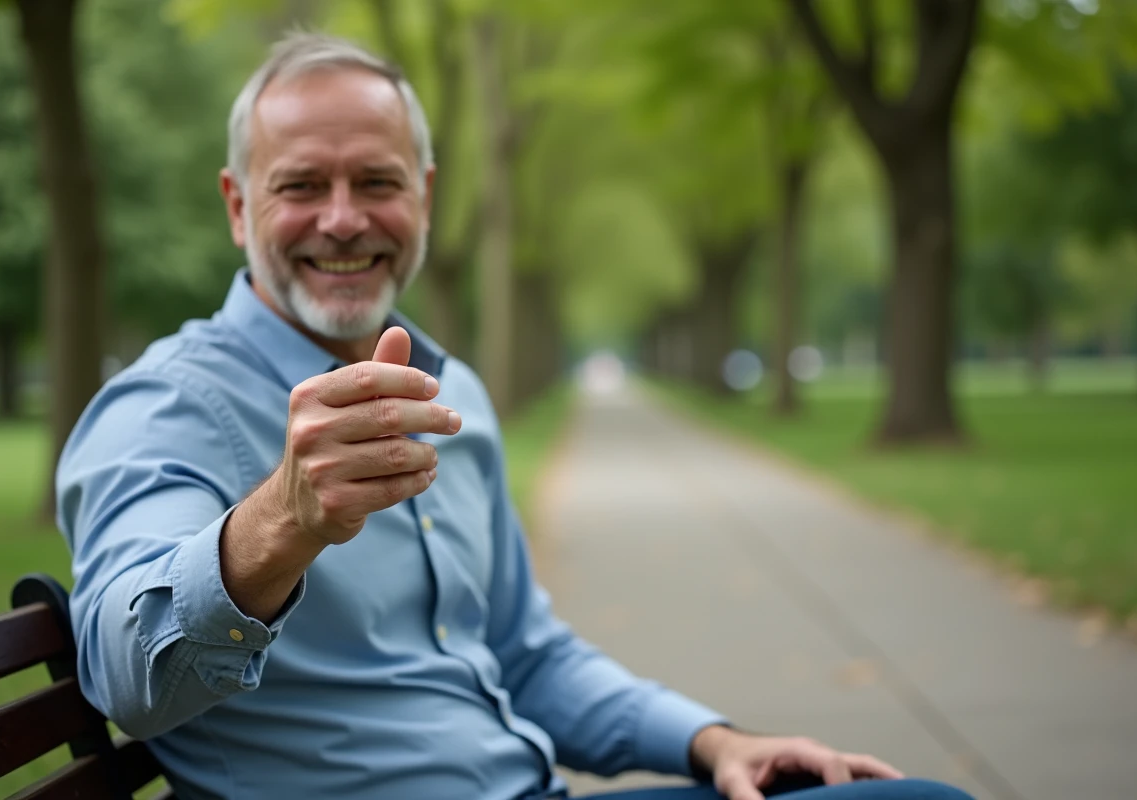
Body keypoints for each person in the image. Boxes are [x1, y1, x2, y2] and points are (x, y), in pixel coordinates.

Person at [56, 32, 974, 800]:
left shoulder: (454, 396)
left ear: (424, 194)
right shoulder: (163, 405)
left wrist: (713, 741)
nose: (342, 219)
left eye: (376, 182)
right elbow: (125, 674)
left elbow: (526, 656)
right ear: (236, 204)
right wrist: (280, 524)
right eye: (300, 186)